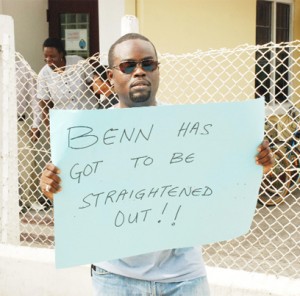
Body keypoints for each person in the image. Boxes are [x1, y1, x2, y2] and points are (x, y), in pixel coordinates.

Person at [40, 33, 274, 296]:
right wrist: (51, 187)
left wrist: (257, 164)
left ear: (158, 70)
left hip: (183, 276)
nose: (139, 72)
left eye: (147, 64)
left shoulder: (190, 130)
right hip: (115, 277)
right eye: (128, 66)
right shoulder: (86, 137)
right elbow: (69, 194)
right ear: (110, 77)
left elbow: (223, 177)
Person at [34, 37, 99, 137]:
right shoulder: (43, 74)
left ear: (61, 54)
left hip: (89, 115)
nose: (48, 60)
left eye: (52, 56)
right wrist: (49, 128)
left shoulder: (78, 62)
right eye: (45, 57)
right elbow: (44, 105)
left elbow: (94, 85)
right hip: (65, 123)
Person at [15, 55, 43, 212]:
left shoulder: (22, 66)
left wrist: (35, 124)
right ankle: (11, 201)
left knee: (28, 159)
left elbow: (34, 98)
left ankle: (29, 198)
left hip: (18, 121)